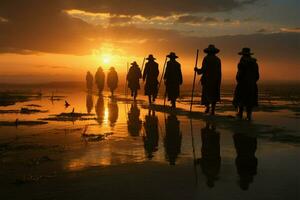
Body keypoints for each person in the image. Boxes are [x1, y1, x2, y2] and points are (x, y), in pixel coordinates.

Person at [233, 48, 259, 120]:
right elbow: (257, 76)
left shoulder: (241, 63)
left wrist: (239, 80)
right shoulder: (255, 64)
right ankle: (249, 116)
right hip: (252, 85)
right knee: (249, 101)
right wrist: (252, 81)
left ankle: (240, 114)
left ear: (243, 55)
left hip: (242, 84)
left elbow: (239, 75)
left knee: (240, 100)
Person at [194, 44, 222, 115]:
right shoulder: (218, 60)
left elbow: (203, 69)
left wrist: (197, 70)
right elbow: (219, 72)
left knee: (207, 94)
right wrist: (219, 80)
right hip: (216, 80)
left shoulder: (206, 58)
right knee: (214, 94)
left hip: (207, 80)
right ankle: (212, 110)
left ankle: (208, 108)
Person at [199, 121, 221, 188]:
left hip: (209, 151)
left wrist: (198, 161)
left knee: (209, 139)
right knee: (210, 138)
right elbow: (218, 162)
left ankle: (209, 124)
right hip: (211, 152)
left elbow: (203, 162)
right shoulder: (211, 172)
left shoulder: (208, 172)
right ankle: (210, 124)